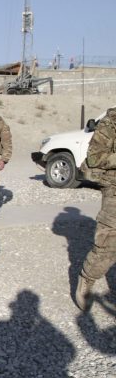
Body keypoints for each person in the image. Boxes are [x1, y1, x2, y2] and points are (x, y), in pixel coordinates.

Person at [75, 107, 116, 312]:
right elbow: (95, 158)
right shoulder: (112, 121)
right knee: (108, 244)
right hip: (115, 190)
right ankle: (88, 278)